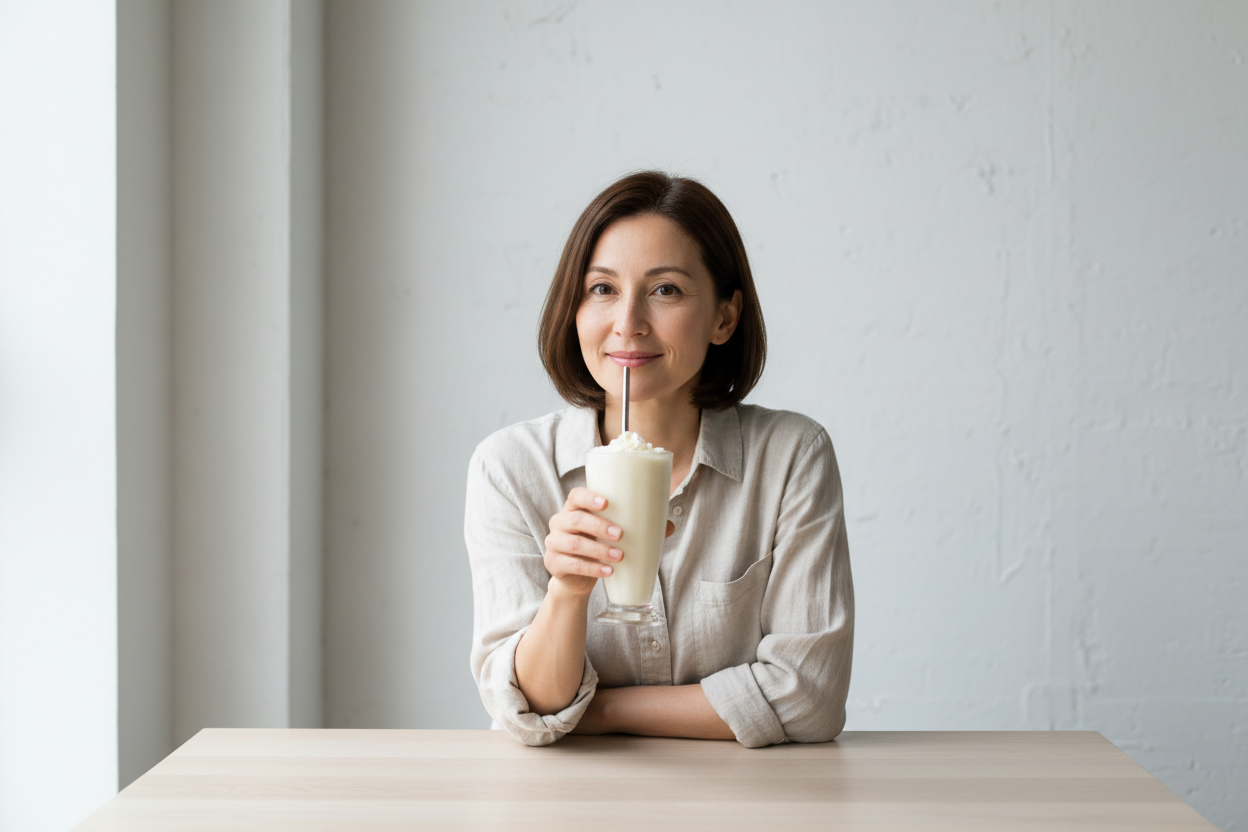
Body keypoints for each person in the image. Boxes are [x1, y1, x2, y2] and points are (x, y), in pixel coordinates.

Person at [465, 171, 854, 748]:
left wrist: (599, 712)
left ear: (724, 317)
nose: (627, 323)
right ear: (573, 310)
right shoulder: (512, 468)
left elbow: (809, 697)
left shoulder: (791, 457)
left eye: (665, 289)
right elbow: (533, 703)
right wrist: (568, 592)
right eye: (602, 289)